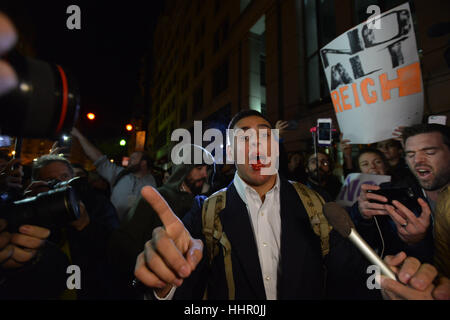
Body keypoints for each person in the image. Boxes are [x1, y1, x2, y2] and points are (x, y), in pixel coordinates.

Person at [133, 109, 397, 300]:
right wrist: (165, 285)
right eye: (245, 139)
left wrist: (386, 285)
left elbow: (350, 272)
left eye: (264, 137)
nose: (257, 146)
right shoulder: (205, 212)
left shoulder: (316, 203)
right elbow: (186, 286)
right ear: (231, 153)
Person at [107, 144, 214, 299]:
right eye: (198, 167)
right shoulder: (159, 197)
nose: (205, 174)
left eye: (207, 169)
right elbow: (124, 244)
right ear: (184, 168)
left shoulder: (207, 202)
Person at [354, 124, 450, 264]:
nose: (417, 161)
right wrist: (362, 215)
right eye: (411, 154)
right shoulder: (392, 193)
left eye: (429, 152)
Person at [28, 154, 119, 299]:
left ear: (72, 177)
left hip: (92, 287)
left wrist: (85, 225)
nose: (59, 183)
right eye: (49, 180)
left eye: (64, 177)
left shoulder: (97, 203)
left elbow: (115, 247)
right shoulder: (31, 210)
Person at [71, 127, 157, 221]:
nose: (129, 161)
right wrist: (79, 136)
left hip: (140, 232)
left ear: (143, 163)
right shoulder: (118, 173)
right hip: (115, 228)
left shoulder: (155, 181)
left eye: (133, 158)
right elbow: (98, 159)